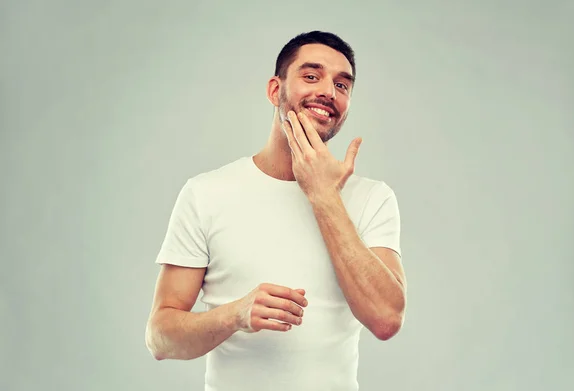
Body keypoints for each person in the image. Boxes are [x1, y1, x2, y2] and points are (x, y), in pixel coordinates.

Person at [145, 31, 407, 391]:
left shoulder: (373, 198)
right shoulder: (206, 193)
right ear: (275, 90)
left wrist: (323, 196)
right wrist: (234, 315)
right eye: (311, 76)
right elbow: (161, 338)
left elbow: (386, 319)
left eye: (342, 85)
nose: (329, 92)